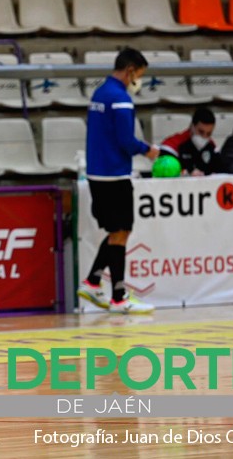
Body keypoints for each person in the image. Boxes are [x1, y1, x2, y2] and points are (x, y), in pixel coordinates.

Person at [77, 47, 159, 314]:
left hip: (97, 173)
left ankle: (92, 281)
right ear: (130, 70)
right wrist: (148, 150)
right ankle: (119, 296)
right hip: (114, 174)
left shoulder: (99, 93)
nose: (139, 81)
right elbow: (126, 141)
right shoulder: (121, 99)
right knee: (121, 232)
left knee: (116, 232)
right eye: (139, 75)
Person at [160, 107, 225, 176]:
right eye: (201, 132)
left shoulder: (211, 146)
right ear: (192, 126)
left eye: (209, 134)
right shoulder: (172, 145)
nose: (204, 137)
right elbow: (164, 170)